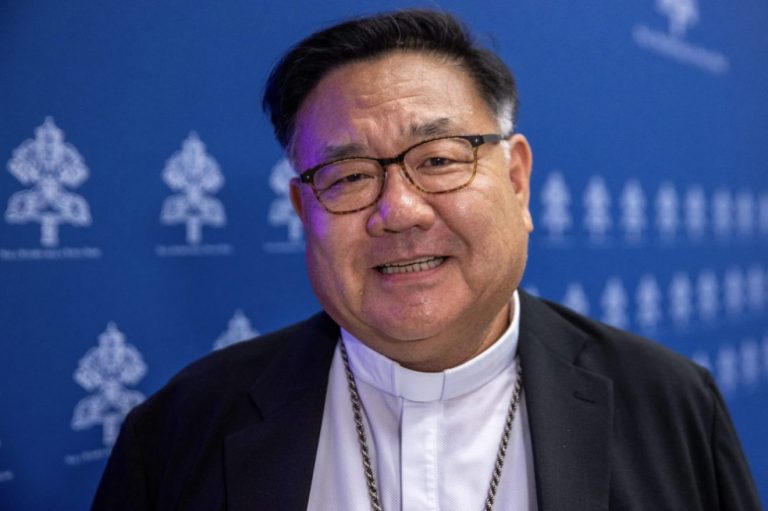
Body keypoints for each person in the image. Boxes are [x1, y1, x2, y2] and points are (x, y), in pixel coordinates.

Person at [92, 9, 761, 511]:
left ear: (517, 181)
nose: (400, 210)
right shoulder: (180, 432)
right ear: (303, 211)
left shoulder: (672, 404)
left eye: (439, 159)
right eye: (349, 176)